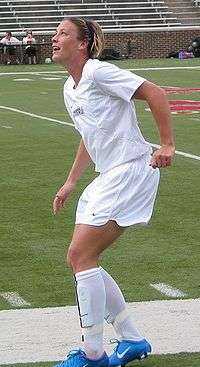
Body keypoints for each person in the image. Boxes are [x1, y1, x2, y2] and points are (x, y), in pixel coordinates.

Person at [52, 17, 175, 367]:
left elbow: (155, 92)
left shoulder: (98, 72)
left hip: (131, 170)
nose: (54, 37)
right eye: (55, 32)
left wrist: (166, 144)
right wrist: (71, 181)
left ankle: (93, 355)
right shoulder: (69, 88)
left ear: (83, 43)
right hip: (107, 175)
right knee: (79, 259)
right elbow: (90, 137)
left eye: (63, 33)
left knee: (81, 256)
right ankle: (132, 338)